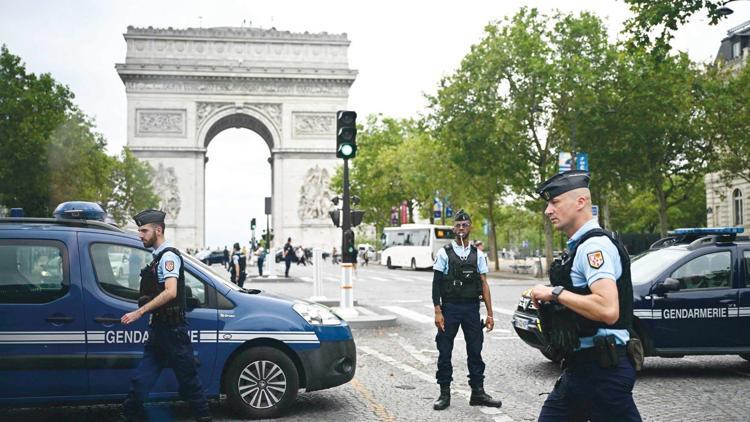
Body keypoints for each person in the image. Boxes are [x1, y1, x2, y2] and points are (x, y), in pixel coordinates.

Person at [530, 170, 640, 421]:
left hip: (602, 372)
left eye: (555, 202)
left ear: (580, 202)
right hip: (581, 369)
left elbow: (607, 309)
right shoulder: (580, 247)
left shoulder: (594, 247)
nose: (548, 210)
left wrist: (555, 293)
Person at [120, 209, 211, 422]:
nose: (140, 235)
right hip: (160, 329)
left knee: (188, 380)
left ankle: (204, 417)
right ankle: (127, 414)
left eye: (143, 231)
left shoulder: (168, 257)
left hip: (172, 330)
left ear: (158, 230)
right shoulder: (158, 257)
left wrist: (139, 312)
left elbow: (171, 292)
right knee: (142, 379)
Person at [431, 210, 502, 411]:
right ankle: (444, 394)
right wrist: (438, 311)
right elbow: (436, 284)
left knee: (475, 351)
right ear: (454, 228)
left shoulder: (478, 254)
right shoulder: (444, 252)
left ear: (470, 228)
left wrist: (490, 314)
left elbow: (484, 284)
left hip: (471, 309)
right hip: (450, 308)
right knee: (444, 351)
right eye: (458, 225)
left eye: (465, 225)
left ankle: (478, 392)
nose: (461, 228)